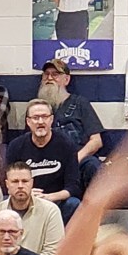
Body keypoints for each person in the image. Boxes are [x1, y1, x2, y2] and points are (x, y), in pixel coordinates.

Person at [6, 100, 82, 225]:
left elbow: (73, 187)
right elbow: (9, 182)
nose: (40, 122)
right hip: (25, 199)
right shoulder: (16, 146)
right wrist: (27, 193)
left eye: (45, 117)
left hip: (56, 200)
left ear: (51, 119)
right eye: (36, 118)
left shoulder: (66, 145)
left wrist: (49, 197)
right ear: (28, 122)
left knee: (73, 204)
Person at [39, 58, 105, 189]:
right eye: (46, 74)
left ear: (66, 79)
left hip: (79, 158)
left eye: (55, 74)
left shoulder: (80, 103)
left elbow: (96, 141)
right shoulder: (36, 108)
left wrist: (75, 159)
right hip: (46, 161)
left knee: (93, 166)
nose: (49, 78)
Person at [0, 161, 64, 255]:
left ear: (32, 183)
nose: (20, 186)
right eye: (15, 181)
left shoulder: (51, 211)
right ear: (7, 184)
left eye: (25, 181)